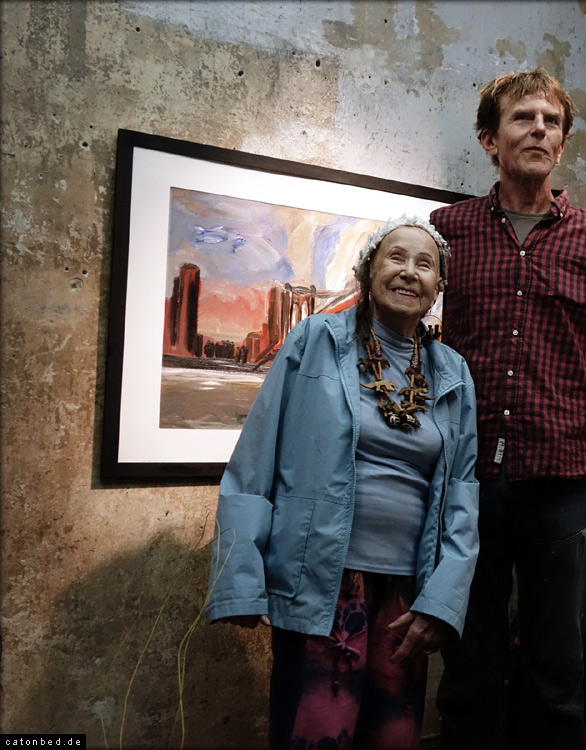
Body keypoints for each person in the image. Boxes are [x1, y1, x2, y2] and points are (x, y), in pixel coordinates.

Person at [431, 68, 586, 749]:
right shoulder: (446, 231)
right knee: (467, 666)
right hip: (466, 479)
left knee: (557, 673)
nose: (539, 129)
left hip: (563, 480)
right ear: (489, 140)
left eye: (552, 121)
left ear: (562, 143)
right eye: (522, 117)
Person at [205, 215, 480, 750]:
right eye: (396, 257)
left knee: (394, 737)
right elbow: (255, 459)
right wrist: (240, 580)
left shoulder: (453, 373)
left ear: (438, 287)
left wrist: (442, 602)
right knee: (315, 735)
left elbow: (463, 497)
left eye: (425, 264)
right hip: (320, 582)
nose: (409, 272)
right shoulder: (316, 340)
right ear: (368, 271)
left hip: (408, 593)